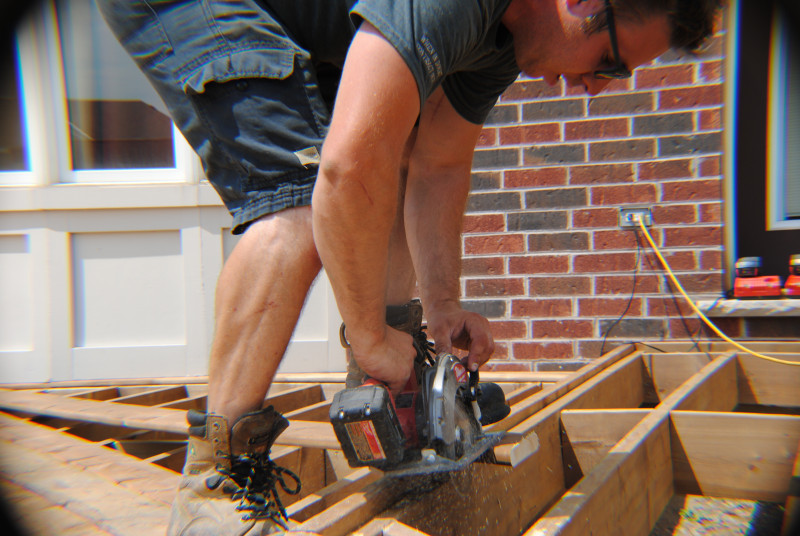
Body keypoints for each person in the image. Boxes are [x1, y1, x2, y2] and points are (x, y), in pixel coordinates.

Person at [96, 0, 723, 534]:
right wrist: (368, 335)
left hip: (289, 21)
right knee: (299, 198)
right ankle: (215, 479)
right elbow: (345, 171)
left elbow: (437, 165)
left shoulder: (502, 42)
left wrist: (441, 308)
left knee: (383, 159)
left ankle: (389, 395)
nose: (598, 86)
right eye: (610, 62)